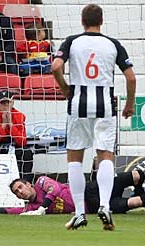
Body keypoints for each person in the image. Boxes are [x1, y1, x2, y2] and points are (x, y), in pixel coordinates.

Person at [51, 4, 136, 231]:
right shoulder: (112, 44)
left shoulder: (72, 41)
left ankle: (79, 212)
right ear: (102, 21)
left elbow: (55, 66)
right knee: (105, 155)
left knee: (75, 159)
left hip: (78, 105)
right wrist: (130, 103)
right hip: (105, 106)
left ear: (82, 21)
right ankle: (105, 206)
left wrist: (64, 87)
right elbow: (131, 78)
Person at [0, 170, 145, 218]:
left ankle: (143, 188)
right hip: (93, 208)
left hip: (91, 189)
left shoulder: (41, 182)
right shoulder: (30, 208)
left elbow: (56, 189)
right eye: (17, 192)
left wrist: (43, 207)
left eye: (20, 186)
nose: (20, 192)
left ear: (28, 183)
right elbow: (14, 210)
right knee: (133, 203)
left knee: (137, 174)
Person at [0, 90, 34, 182]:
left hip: (15, 144)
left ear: (12, 103)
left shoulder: (19, 116)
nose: (5, 106)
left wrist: (11, 125)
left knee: (27, 153)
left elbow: (22, 141)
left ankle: (25, 182)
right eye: (3, 103)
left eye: (8, 103)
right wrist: (3, 125)